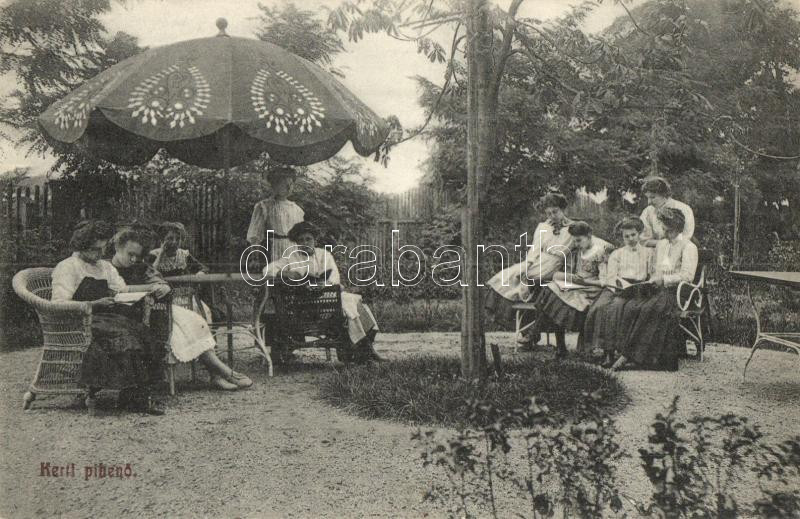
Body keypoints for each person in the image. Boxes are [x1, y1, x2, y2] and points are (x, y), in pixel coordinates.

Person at [112, 229, 253, 391]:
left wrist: (163, 287)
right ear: (117, 247)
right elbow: (118, 291)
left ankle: (219, 374)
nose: (133, 259)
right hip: (130, 316)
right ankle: (225, 373)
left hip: (156, 311)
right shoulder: (107, 269)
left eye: (137, 255)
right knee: (179, 329)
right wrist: (149, 288)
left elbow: (159, 280)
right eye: (130, 254)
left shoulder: (140, 266)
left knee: (194, 322)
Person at [51, 221, 165, 415]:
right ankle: (133, 398)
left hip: (106, 318)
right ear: (81, 246)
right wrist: (94, 304)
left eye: (102, 249)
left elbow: (122, 289)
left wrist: (152, 288)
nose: (100, 254)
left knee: (142, 332)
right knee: (125, 336)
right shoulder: (68, 267)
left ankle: (132, 396)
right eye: (95, 250)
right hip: (81, 320)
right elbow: (58, 303)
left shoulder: (104, 267)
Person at [264, 221, 381, 362]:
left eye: (308, 239)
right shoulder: (291, 257)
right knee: (351, 302)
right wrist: (285, 273)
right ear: (296, 242)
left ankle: (365, 349)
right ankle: (366, 349)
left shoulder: (324, 255)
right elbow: (267, 269)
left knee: (351, 303)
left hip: (328, 300)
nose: (305, 243)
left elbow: (334, 279)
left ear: (315, 240)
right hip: (304, 305)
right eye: (301, 240)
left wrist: (323, 284)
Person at [609, 207, 698, 371]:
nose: (663, 232)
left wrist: (664, 280)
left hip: (679, 292)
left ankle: (629, 356)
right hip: (660, 290)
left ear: (675, 228)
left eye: (666, 229)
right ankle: (629, 353)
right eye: (663, 228)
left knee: (649, 308)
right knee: (632, 306)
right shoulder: (662, 244)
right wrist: (651, 280)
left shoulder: (688, 247)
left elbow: (687, 276)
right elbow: (656, 269)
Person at [485, 192, 574, 346]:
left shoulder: (572, 228)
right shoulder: (543, 227)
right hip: (538, 261)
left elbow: (588, 240)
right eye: (548, 213)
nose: (552, 216)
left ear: (563, 209)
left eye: (555, 212)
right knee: (509, 275)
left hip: (555, 265)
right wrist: (527, 265)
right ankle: (526, 330)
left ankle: (531, 332)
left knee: (523, 281)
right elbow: (534, 250)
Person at [533, 221, 613, 358]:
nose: (576, 244)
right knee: (551, 291)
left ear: (589, 236)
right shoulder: (579, 250)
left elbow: (604, 281)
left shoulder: (599, 252)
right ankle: (560, 346)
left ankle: (539, 334)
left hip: (590, 289)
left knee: (558, 302)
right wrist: (571, 278)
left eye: (579, 240)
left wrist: (583, 281)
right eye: (574, 241)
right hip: (577, 286)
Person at [582, 217, 654, 366]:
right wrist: (619, 286)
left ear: (639, 234)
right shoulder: (617, 254)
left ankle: (625, 352)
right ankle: (608, 352)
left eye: (633, 235)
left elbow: (651, 274)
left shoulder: (648, 253)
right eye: (626, 236)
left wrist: (646, 284)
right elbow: (611, 277)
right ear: (622, 237)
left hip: (639, 289)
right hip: (620, 288)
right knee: (610, 307)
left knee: (627, 308)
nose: (630, 239)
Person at [246, 166, 305, 260]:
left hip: (294, 250)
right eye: (284, 184)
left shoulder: (297, 209)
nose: (288, 187)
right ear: (274, 185)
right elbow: (255, 234)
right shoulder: (263, 206)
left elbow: (302, 236)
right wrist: (254, 257)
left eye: (291, 184)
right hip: (274, 249)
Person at [638, 176, 695, 246]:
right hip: (654, 250)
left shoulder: (684, 209)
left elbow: (686, 237)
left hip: (680, 249)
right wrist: (662, 244)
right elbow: (643, 240)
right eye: (647, 198)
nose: (649, 202)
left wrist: (667, 245)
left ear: (664, 195)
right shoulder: (648, 212)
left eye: (653, 197)